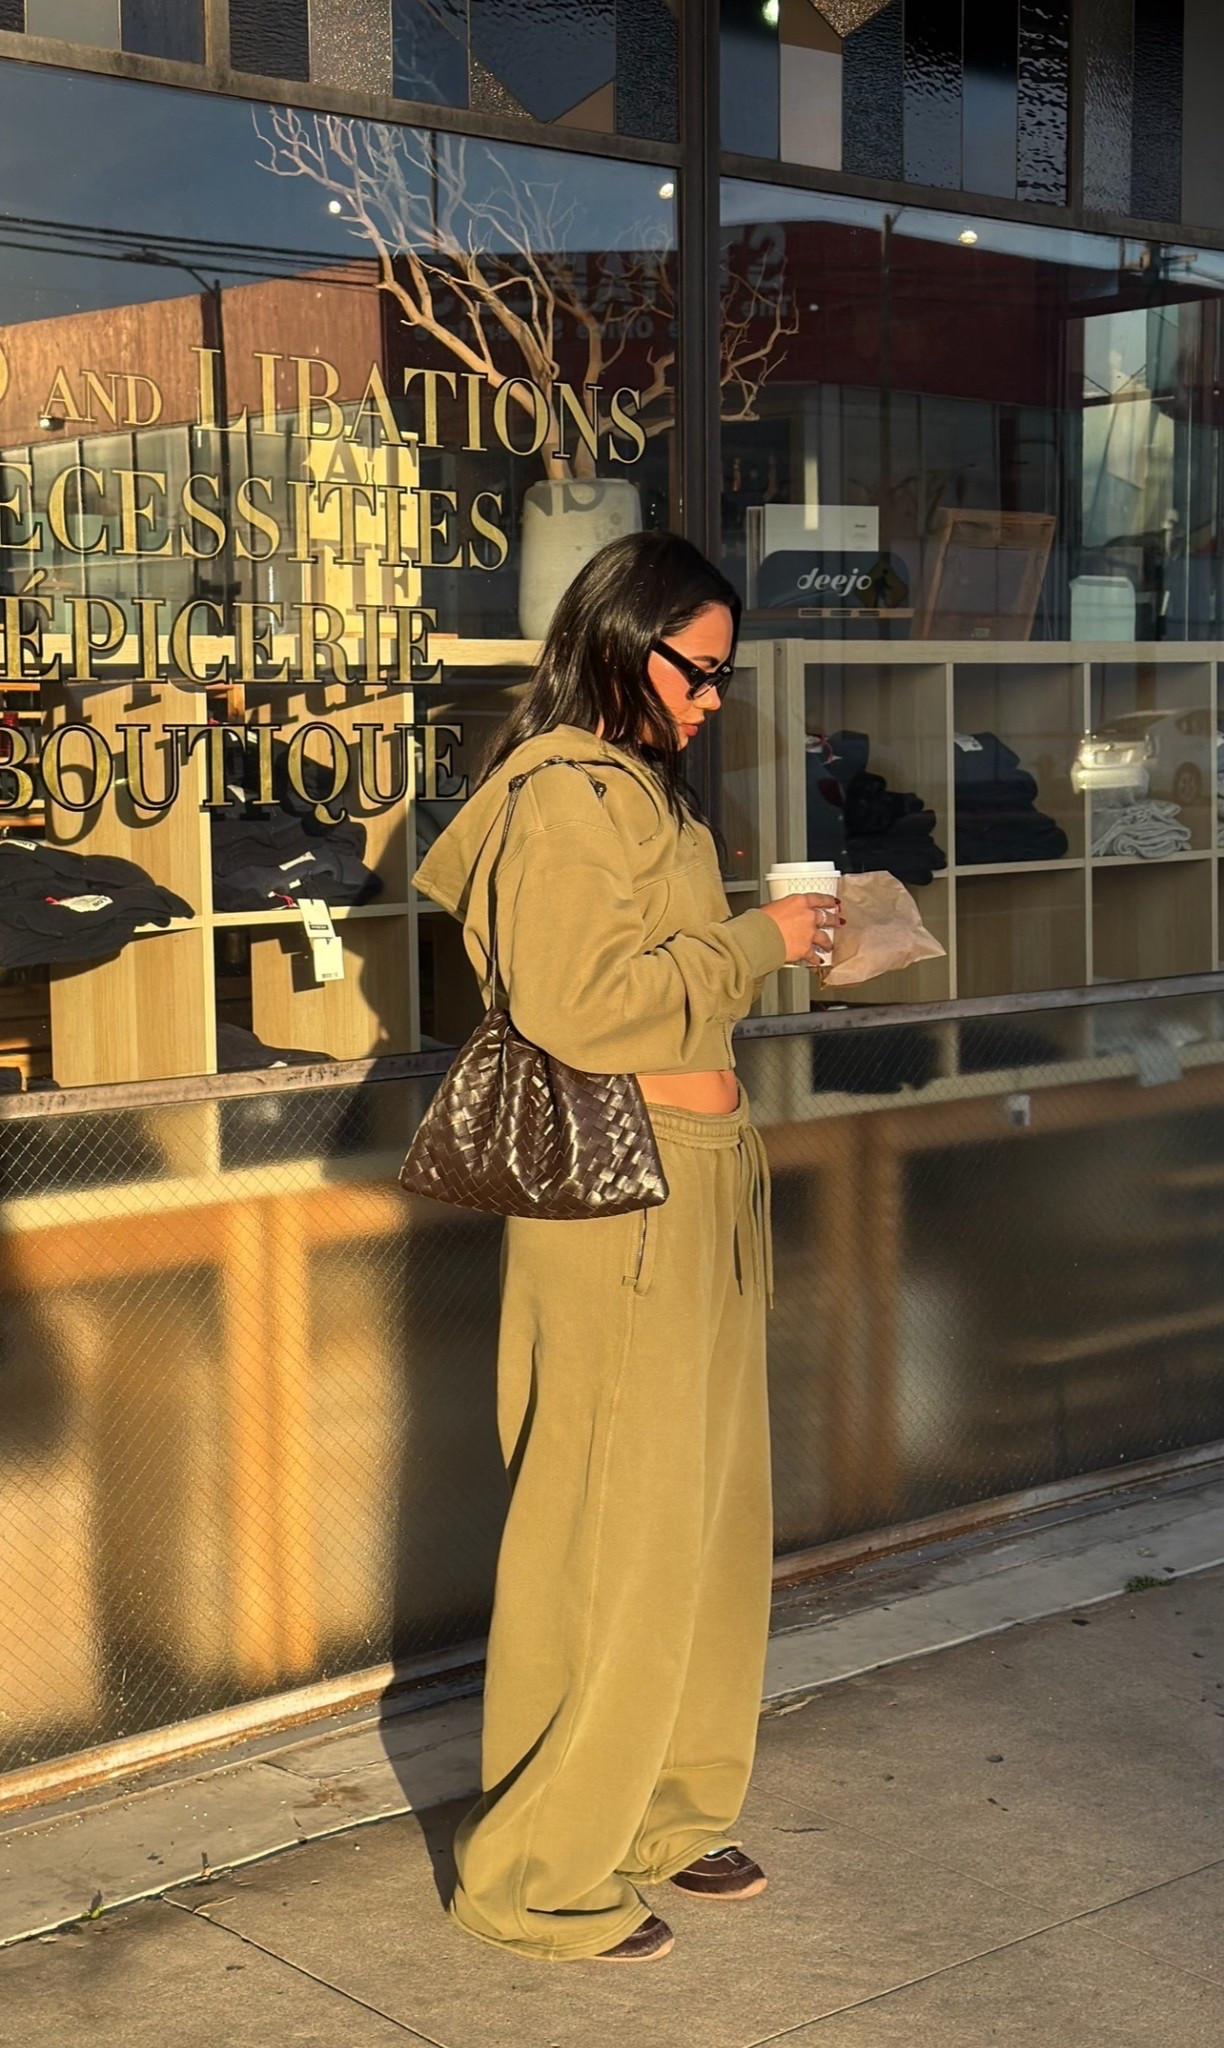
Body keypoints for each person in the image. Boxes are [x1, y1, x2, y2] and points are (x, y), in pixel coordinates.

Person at [412, 530, 841, 1963]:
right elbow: (584, 1010)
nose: (716, 698)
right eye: (700, 669)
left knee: (706, 1527)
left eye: (726, 674)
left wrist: (765, 944)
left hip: (703, 1174)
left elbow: (663, 981)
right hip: (623, 1200)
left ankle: (655, 1810)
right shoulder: (560, 801)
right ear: (621, 643)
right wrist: (761, 940)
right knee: (606, 1531)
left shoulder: (640, 793)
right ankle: (531, 1873)